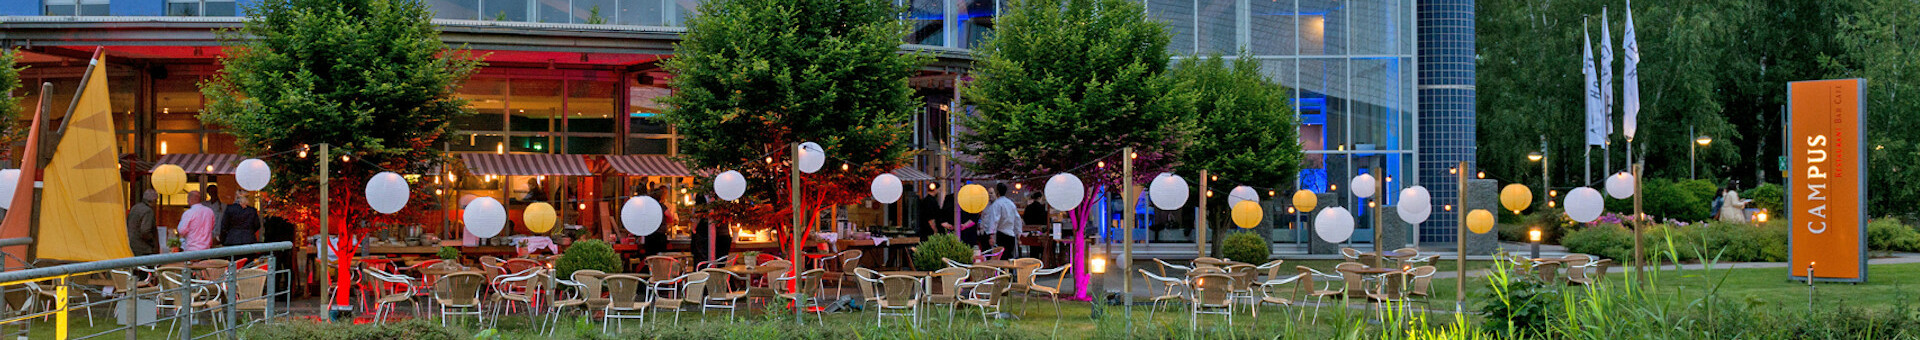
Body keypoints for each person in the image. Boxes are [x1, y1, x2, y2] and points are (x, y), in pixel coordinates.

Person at [979, 184, 1023, 259]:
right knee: (1010, 258)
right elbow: (1017, 219)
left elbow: (994, 220)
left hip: (1001, 235)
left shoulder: (997, 204)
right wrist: (1018, 232)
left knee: (1000, 258)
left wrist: (991, 235)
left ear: (997, 192)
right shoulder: (1011, 204)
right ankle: (1009, 271)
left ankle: (1002, 271)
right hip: (1011, 234)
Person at [127, 190, 159, 256]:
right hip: (144, 249)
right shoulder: (148, 211)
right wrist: (153, 242)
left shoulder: (134, 208)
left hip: (132, 246)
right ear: (153, 201)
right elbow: (145, 231)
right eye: (156, 201)